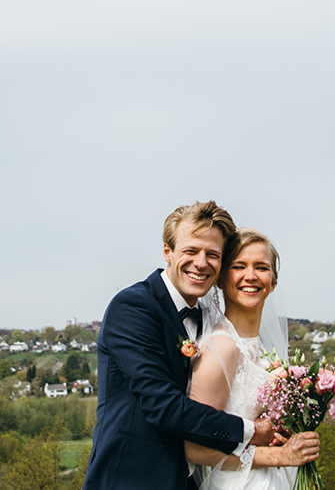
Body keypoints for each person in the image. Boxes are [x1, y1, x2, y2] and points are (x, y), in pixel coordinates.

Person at [83, 202, 277, 490]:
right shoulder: (133, 307)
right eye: (191, 251)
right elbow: (163, 406)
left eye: (213, 254)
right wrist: (250, 430)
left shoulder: (211, 318)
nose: (201, 263)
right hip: (130, 479)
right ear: (168, 252)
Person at [185, 228, 319, 490]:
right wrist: (280, 456)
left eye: (261, 267)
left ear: (273, 281)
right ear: (221, 278)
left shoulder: (261, 348)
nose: (251, 276)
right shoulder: (222, 346)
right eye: (239, 266)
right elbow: (195, 448)